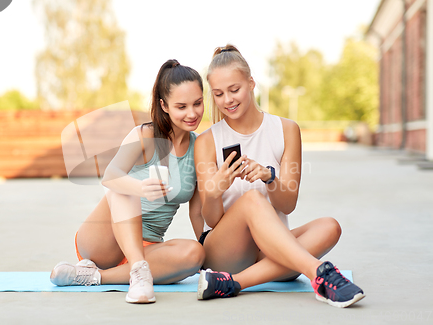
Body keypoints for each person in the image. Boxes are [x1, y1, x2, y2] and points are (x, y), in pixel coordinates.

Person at [194, 45, 365, 308]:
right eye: (218, 94)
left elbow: (288, 205)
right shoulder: (207, 141)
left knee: (330, 226)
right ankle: (319, 272)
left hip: (270, 251)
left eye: (234, 89)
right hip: (226, 251)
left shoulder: (286, 130)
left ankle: (233, 283)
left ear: (251, 83)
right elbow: (211, 219)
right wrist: (216, 189)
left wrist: (269, 178)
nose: (227, 100)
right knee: (251, 201)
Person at [50, 59, 206, 304]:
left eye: (197, 103)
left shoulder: (199, 148)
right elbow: (110, 177)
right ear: (164, 105)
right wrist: (140, 187)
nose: (192, 113)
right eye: (181, 106)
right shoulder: (144, 135)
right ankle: (139, 272)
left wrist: (209, 258)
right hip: (104, 239)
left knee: (196, 253)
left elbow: (197, 212)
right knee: (122, 185)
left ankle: (95, 277)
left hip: (149, 247)